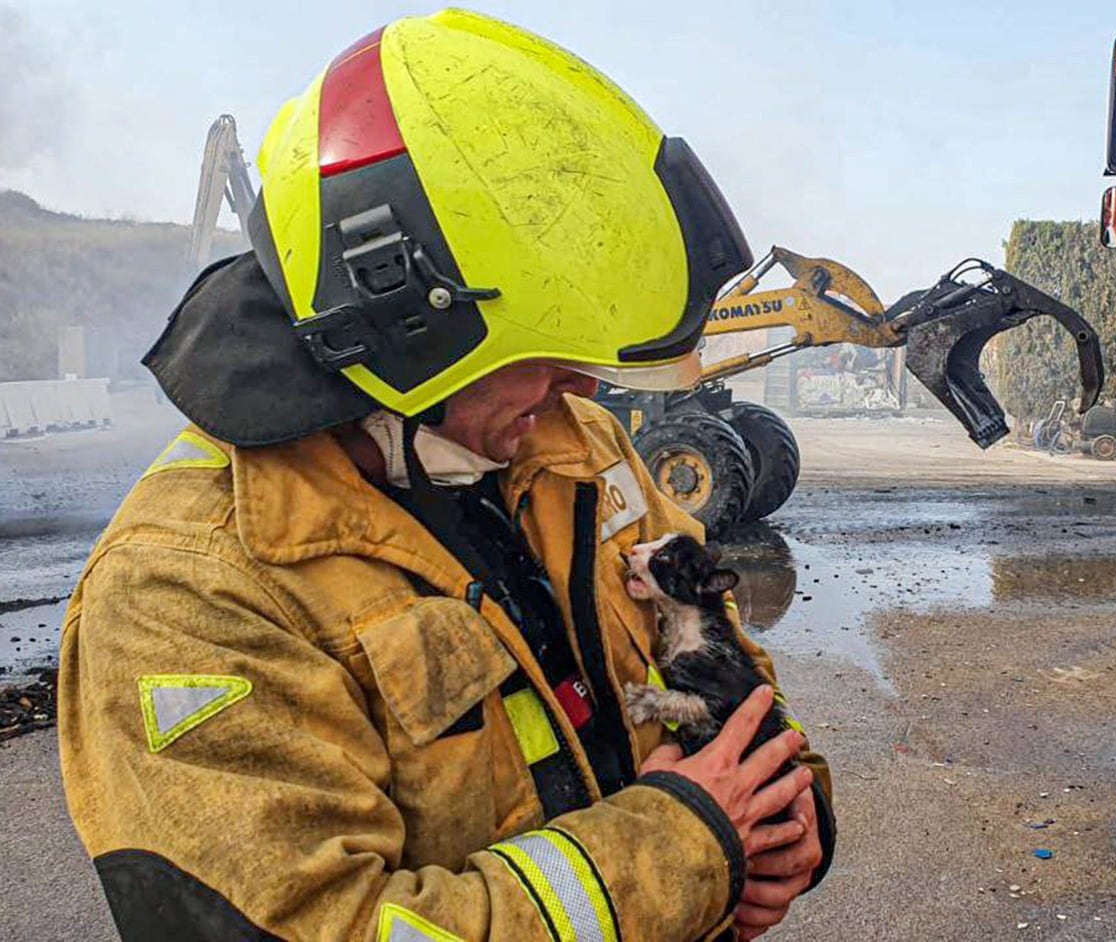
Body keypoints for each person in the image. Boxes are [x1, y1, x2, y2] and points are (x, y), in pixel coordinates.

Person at [56, 10, 834, 941]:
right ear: (405, 324)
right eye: (544, 353)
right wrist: (684, 847)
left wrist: (783, 802)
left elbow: (709, 636)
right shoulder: (187, 586)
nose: (581, 388)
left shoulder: (571, 441)